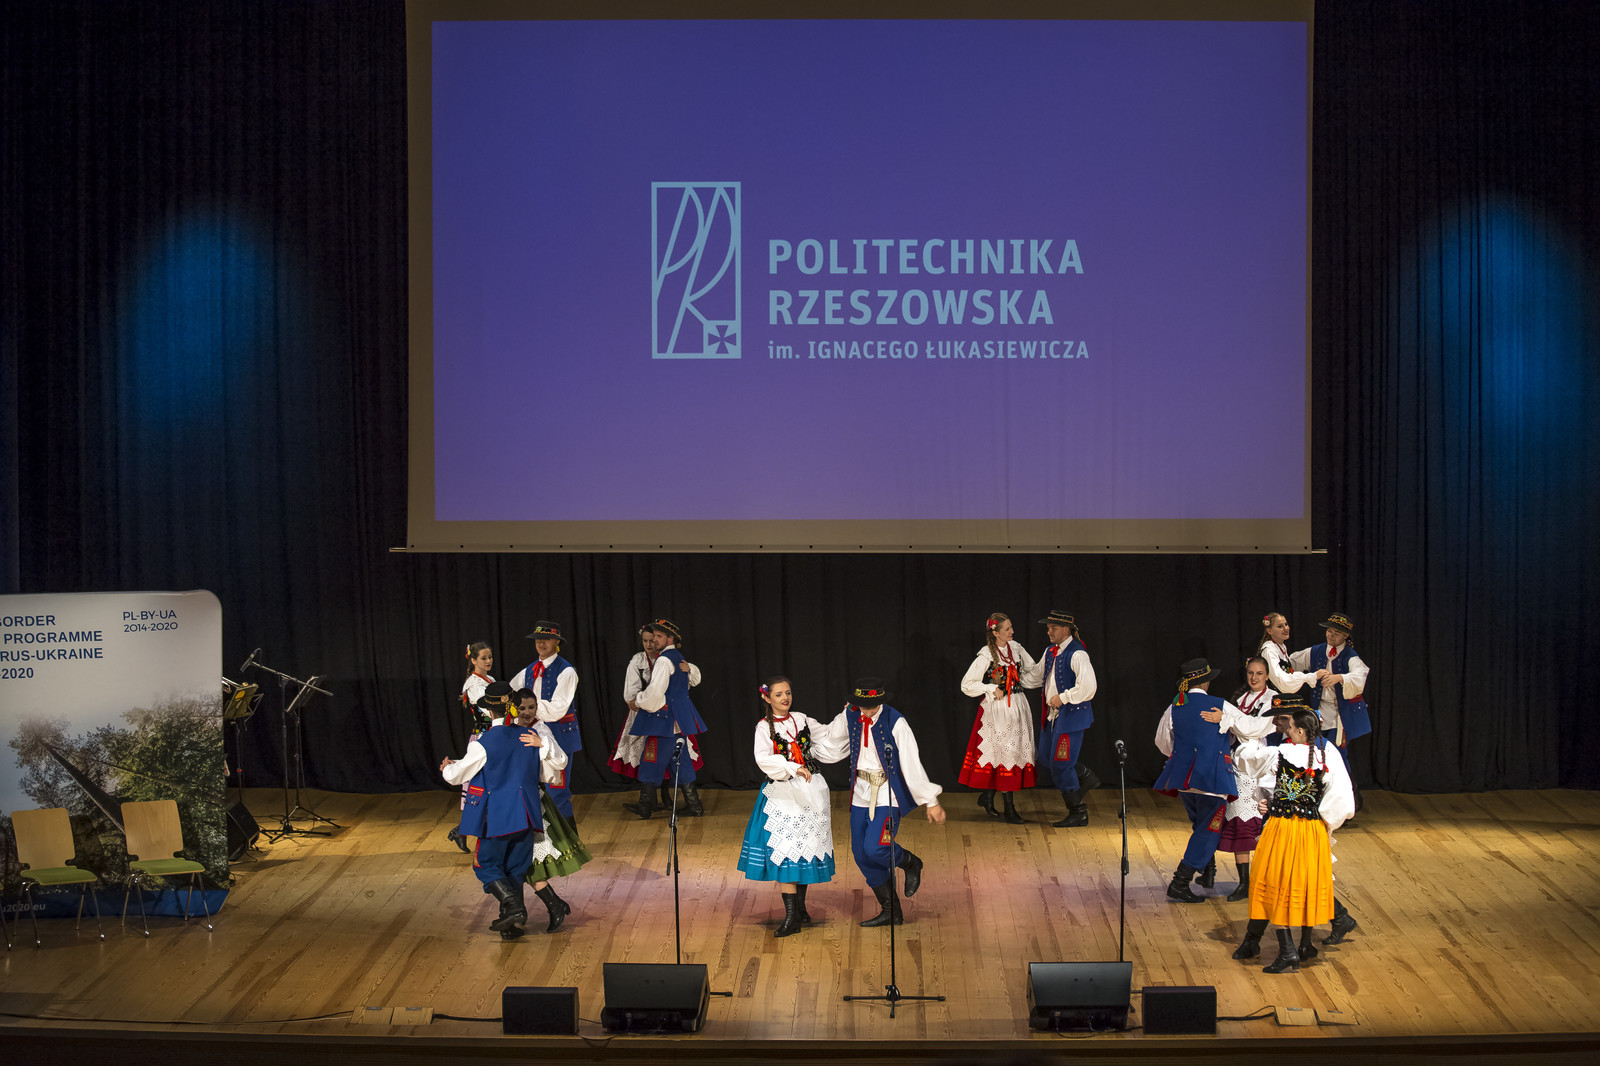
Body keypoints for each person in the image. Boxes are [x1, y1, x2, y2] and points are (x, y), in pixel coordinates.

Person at [1231, 693, 1356, 972]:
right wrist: (1323, 821)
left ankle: (1288, 949)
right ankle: (1301, 945)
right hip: (1312, 830)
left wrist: (1243, 731)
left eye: (1287, 725)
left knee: (1273, 882)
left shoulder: (1280, 753)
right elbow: (1343, 801)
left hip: (1284, 827)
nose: (1284, 729)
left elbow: (1245, 758)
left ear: (1299, 729)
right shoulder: (1325, 754)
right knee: (1302, 884)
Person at [813, 678, 945, 926]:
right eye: (862, 706)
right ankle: (891, 910)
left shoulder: (896, 722)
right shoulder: (851, 714)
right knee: (861, 854)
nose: (865, 711)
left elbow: (911, 762)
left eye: (870, 706)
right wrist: (803, 749)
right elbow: (831, 742)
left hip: (887, 793)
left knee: (876, 848)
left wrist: (931, 800)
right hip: (861, 792)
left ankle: (911, 863)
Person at [1152, 658, 1278, 902]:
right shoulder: (1220, 706)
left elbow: (1162, 741)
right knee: (1208, 830)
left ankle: (1207, 873)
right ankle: (1180, 881)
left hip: (1184, 781)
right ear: (1206, 682)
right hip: (1211, 781)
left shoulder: (1174, 706)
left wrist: (1182, 756)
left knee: (1200, 825)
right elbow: (1251, 727)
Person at [439, 681, 555, 940]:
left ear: (488, 711)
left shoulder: (483, 743)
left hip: (498, 818)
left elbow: (457, 776)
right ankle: (511, 925)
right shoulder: (529, 737)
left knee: (487, 865)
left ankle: (513, 907)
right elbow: (548, 772)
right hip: (526, 815)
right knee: (514, 869)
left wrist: (447, 768)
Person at [736, 677, 835, 937]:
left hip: (811, 794)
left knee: (805, 849)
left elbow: (828, 734)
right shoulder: (763, 727)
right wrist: (792, 767)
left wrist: (847, 717)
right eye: (779, 694)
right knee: (788, 851)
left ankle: (800, 910)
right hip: (784, 795)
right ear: (767, 697)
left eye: (788, 693)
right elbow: (763, 759)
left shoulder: (802, 719)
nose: (785, 698)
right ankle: (792, 917)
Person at [511, 688, 590, 933]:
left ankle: (544, 908)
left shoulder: (541, 729)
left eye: (531, 707)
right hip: (509, 801)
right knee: (513, 860)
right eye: (522, 708)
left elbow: (561, 761)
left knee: (529, 858)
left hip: (531, 800)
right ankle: (523, 912)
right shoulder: (507, 728)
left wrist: (541, 743)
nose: (527, 712)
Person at [1021, 610, 1102, 827]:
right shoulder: (1050, 651)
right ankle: (1086, 776)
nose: (1049, 632)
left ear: (1066, 629)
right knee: (1046, 758)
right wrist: (1012, 677)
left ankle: (1078, 812)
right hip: (1053, 716)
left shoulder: (1077, 654)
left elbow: (1089, 687)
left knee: (1061, 764)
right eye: (1048, 628)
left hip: (1071, 717)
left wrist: (1063, 698)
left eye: (1053, 628)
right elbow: (1037, 677)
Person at [957, 613, 1040, 823]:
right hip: (998, 710)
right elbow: (967, 684)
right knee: (1004, 753)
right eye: (1007, 629)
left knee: (1009, 753)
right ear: (995, 633)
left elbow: (1032, 671)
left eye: (1011, 627)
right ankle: (1009, 809)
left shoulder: (1016, 648)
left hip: (1018, 706)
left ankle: (987, 796)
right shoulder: (986, 655)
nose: (1012, 631)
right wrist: (991, 688)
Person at [623, 618, 709, 818]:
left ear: (671, 638)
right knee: (682, 761)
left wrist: (638, 701)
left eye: (659, 636)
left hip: (664, 721)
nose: (655, 640)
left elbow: (655, 692)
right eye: (654, 636)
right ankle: (694, 805)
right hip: (678, 721)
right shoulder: (678, 657)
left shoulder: (663, 660)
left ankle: (645, 807)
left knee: (650, 760)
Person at [1289, 612, 1371, 812]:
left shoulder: (1350, 656)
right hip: (1319, 713)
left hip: (1339, 716)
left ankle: (1345, 802)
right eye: (1329, 631)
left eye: (1336, 633)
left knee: (1337, 757)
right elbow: (1291, 661)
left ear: (1346, 636)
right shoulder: (1316, 651)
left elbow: (1360, 676)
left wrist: (1339, 678)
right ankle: (1317, 800)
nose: (1331, 635)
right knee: (1315, 754)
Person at [510, 621, 581, 823]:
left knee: (557, 791)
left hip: (559, 736)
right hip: (533, 735)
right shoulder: (528, 670)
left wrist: (528, 707)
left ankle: (568, 839)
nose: (541, 643)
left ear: (556, 642)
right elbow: (511, 692)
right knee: (532, 788)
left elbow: (558, 708)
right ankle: (542, 836)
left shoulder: (567, 671)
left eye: (546, 639)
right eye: (538, 640)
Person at [1221, 656, 1276, 901]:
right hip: (1238, 767)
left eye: (1259, 673)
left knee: (1263, 825)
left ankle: (1267, 880)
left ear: (1267, 676)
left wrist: (1229, 719)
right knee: (1240, 826)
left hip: (1261, 766)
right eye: (1251, 673)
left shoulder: (1272, 699)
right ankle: (1244, 883)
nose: (1254, 678)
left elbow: (1256, 728)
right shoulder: (1240, 698)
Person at [446, 642, 496, 853]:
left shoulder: (489, 680)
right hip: (484, 738)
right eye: (484, 658)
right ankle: (465, 830)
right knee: (481, 786)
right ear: (473, 660)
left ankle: (464, 830)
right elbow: (488, 710)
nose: (488, 661)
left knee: (488, 787)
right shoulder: (474, 685)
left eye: (490, 657)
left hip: (494, 735)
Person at [1255, 613, 1318, 694]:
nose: (1285, 628)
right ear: (1269, 631)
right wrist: (1309, 677)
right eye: (1280, 626)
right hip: (1270, 697)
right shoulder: (1269, 649)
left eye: (1286, 624)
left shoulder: (1281, 646)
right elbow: (1280, 679)